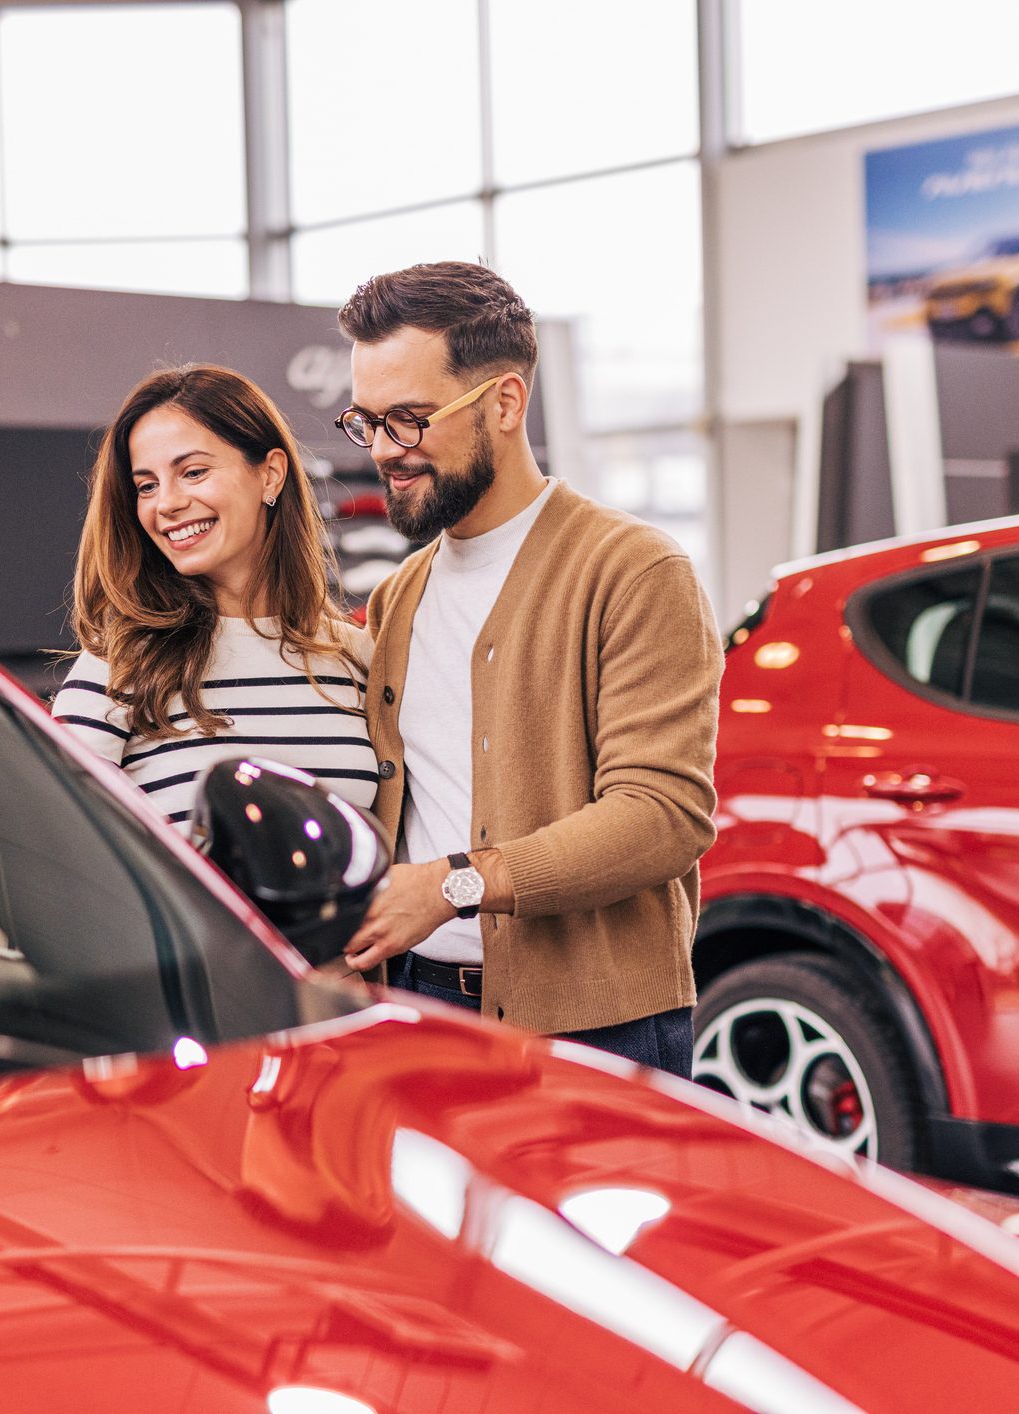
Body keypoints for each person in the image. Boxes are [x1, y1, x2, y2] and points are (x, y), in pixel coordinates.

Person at [331, 261, 722, 1077]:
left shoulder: (634, 569)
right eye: (365, 421)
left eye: (408, 419)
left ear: (505, 402)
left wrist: (455, 885)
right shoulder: (401, 595)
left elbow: (662, 815)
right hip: (418, 1010)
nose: (382, 452)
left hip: (598, 1031)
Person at [54, 363, 378, 831]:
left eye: (193, 472)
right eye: (146, 485)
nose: (166, 503)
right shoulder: (121, 663)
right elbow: (52, 843)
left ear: (270, 475)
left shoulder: (355, 658)